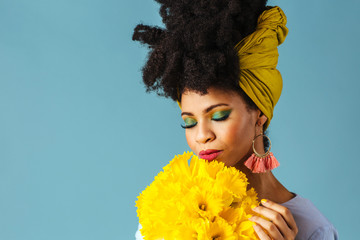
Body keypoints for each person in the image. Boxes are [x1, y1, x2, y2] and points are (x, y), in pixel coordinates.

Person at [132, 0, 338, 239]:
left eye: (219, 116)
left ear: (259, 113)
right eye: (189, 122)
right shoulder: (165, 212)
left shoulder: (312, 229)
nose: (201, 135)